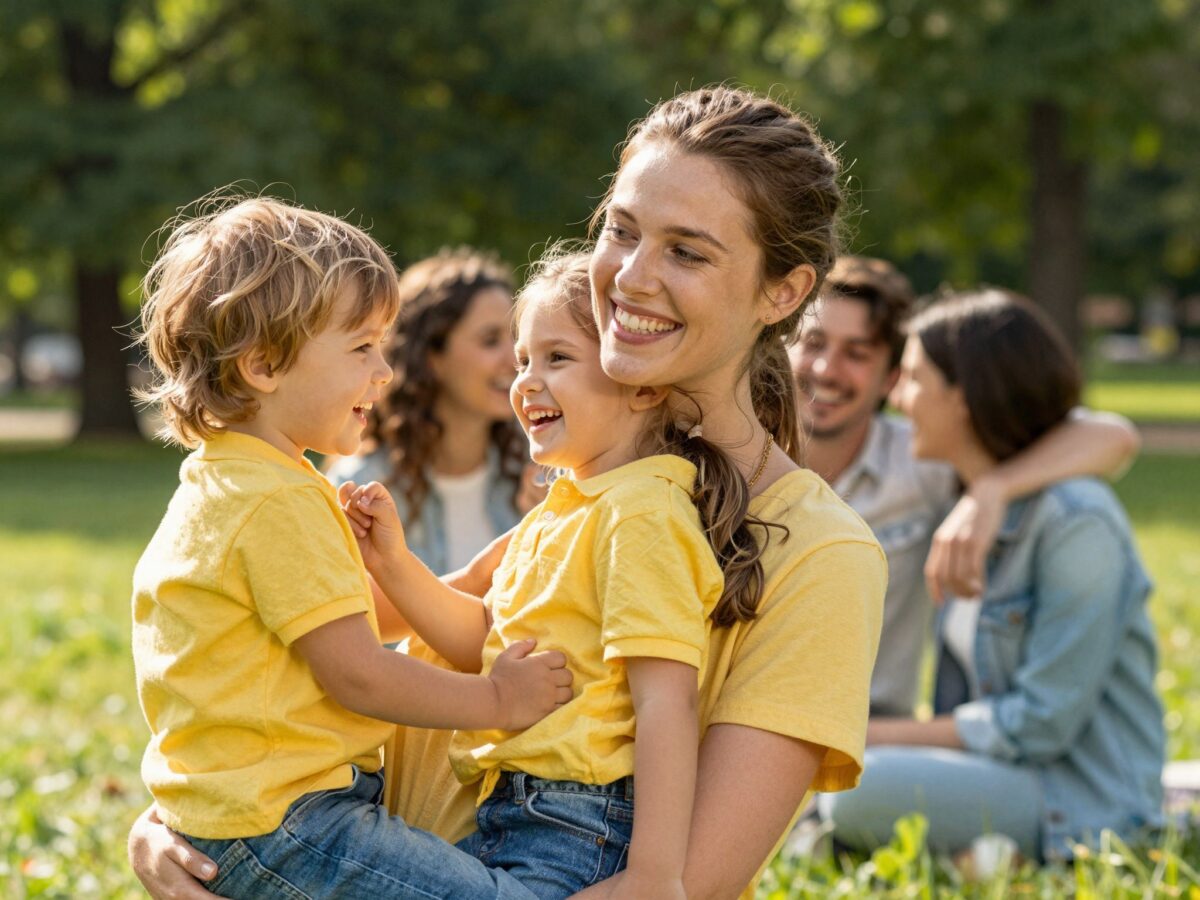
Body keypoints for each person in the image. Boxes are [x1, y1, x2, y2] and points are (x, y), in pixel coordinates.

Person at [129, 86, 888, 900]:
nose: (631, 277)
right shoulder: (582, 490)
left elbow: (681, 887)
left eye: (688, 253)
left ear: (784, 291)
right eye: (622, 231)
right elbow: (296, 661)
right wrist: (185, 820)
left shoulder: (822, 554)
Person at [131, 195, 572, 899]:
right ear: (264, 364)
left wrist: (466, 577)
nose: (384, 373)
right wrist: (497, 698)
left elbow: (346, 621)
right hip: (291, 820)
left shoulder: (234, 483)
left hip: (245, 817)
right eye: (363, 347)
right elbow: (360, 673)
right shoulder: (276, 501)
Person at [343, 247, 753, 898]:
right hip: (511, 810)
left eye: (556, 358)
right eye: (523, 360)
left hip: (578, 820)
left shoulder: (641, 514)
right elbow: (483, 639)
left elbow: (665, 701)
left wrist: (654, 875)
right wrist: (393, 564)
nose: (526, 382)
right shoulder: (564, 512)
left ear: (643, 384)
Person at [818, 289, 1165, 861]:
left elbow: (1038, 725)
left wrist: (861, 736)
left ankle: (986, 854)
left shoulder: (1077, 523)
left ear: (964, 397)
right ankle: (970, 856)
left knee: (856, 788)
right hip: (1005, 771)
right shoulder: (952, 496)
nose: (898, 398)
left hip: (1082, 797)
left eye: (911, 378)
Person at [790, 256, 1141, 716]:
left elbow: (1113, 437)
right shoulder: (732, 457)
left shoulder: (920, 461)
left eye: (857, 353)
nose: (827, 370)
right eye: (814, 342)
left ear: (889, 378)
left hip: (868, 731)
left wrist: (990, 490)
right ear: (782, 346)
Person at [326, 247, 531, 574]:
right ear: (432, 358)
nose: (517, 359)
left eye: (516, 338)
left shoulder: (541, 468)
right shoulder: (360, 488)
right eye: (491, 341)